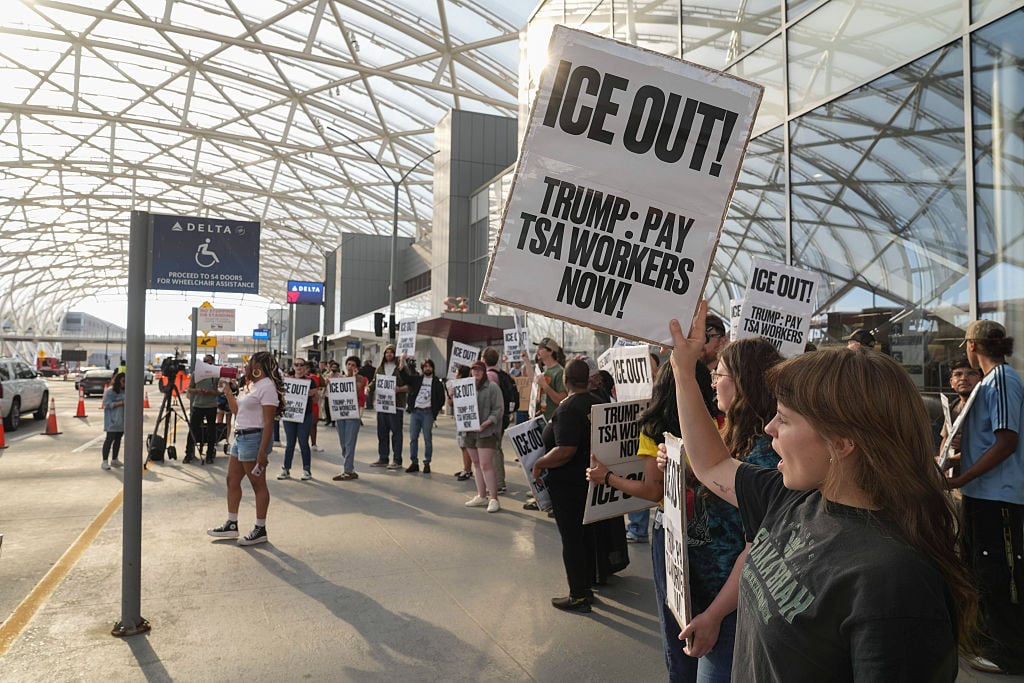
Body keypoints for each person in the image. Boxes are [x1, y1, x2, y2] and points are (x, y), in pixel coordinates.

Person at [664, 301, 977, 680]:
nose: (769, 429)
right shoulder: (794, 498)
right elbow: (711, 465)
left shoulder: (894, 583)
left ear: (841, 442)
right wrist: (683, 369)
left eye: (785, 419)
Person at [948, 320, 1024, 674]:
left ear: (973, 346)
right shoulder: (989, 384)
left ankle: (1010, 652)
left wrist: (962, 477)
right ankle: (991, 639)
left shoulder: (1004, 381)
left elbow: (1006, 442)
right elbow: (985, 444)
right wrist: (954, 464)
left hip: (1000, 496)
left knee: (1002, 571)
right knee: (982, 568)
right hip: (981, 493)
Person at [532, 359, 603, 612]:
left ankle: (578, 595)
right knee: (584, 537)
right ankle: (587, 586)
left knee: (571, 541)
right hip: (589, 482)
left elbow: (565, 450)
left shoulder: (567, 409)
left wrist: (540, 463)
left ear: (566, 380)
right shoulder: (596, 403)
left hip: (568, 486)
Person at [207, 352, 285, 546]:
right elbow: (236, 411)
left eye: (250, 363)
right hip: (241, 436)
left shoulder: (267, 387)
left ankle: (260, 528)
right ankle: (231, 524)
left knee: (258, 485)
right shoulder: (251, 386)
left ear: (259, 366)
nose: (246, 367)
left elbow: (268, 422)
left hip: (254, 438)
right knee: (231, 480)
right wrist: (227, 392)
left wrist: (262, 451)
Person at [626, 351, 662, 544]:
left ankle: (638, 527)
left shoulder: (660, 394)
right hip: (636, 441)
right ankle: (636, 526)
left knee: (649, 483)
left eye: (651, 369)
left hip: (650, 442)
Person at [461, 360, 504, 512]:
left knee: (486, 464)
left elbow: (498, 410)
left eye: (479, 369)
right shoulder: (466, 387)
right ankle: (481, 495)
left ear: (484, 371)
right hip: (470, 431)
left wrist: (485, 424)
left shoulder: (492, 387)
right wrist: (453, 396)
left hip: (487, 432)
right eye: (474, 369)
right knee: (476, 463)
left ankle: (493, 498)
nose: (476, 372)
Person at [399, 354, 446, 473]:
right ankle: (414, 463)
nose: (427, 368)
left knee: (427, 439)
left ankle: (427, 463)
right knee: (413, 438)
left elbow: (441, 398)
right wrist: (402, 360)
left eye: (429, 366)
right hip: (416, 412)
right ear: (422, 368)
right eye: (425, 367)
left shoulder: (436, 382)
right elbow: (404, 377)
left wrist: (435, 410)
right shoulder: (417, 379)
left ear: (433, 368)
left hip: (428, 413)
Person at [939, 357, 982, 479]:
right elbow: (946, 439)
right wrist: (943, 462)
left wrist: (967, 442)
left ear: (980, 378)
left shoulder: (984, 406)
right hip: (956, 479)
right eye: (958, 374)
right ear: (951, 382)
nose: (964, 378)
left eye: (971, 373)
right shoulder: (954, 406)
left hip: (979, 479)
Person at [277, 359, 318, 481]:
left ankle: (306, 470)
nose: (299, 367)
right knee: (290, 443)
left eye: (301, 365)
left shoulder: (310, 381)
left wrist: (313, 393)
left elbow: (316, 400)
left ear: (305, 367)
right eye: (296, 364)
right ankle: (286, 469)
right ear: (293, 366)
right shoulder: (286, 380)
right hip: (290, 415)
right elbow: (280, 396)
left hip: (305, 415)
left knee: (303, 442)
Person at [368, 344, 407, 470]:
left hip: (396, 405)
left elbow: (409, 384)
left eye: (391, 352)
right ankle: (383, 458)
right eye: (386, 352)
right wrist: (368, 388)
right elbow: (374, 381)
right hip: (382, 405)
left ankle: (397, 460)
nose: (389, 354)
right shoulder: (380, 368)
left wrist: (399, 389)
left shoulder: (401, 368)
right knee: (382, 433)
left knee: (396, 433)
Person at [332, 355, 367, 481]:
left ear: (357, 367)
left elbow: (356, 390)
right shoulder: (340, 378)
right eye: (348, 364)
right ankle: (350, 468)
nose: (350, 367)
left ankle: (347, 470)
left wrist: (352, 377)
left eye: (353, 365)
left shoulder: (361, 379)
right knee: (343, 442)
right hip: (341, 413)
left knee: (350, 442)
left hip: (353, 414)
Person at [185, 354, 219, 464]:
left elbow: (220, 391)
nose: (206, 363)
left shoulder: (215, 375)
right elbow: (189, 388)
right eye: (205, 361)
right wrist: (198, 391)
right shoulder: (196, 374)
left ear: (212, 362)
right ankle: (188, 454)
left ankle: (209, 455)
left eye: (209, 361)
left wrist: (210, 392)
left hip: (211, 406)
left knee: (211, 431)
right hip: (198, 405)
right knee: (192, 429)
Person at [450, 364, 474, 481]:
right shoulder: (461, 386)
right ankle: (466, 467)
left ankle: (467, 470)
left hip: (465, 420)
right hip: (461, 419)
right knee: (463, 444)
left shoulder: (463, 386)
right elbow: (451, 403)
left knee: (465, 445)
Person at [101, 371, 126, 470]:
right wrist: (121, 403)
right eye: (123, 381)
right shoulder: (110, 391)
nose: (124, 383)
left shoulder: (125, 391)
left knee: (118, 440)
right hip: (112, 420)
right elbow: (107, 404)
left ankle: (114, 459)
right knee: (109, 439)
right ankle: (104, 461)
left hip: (122, 420)